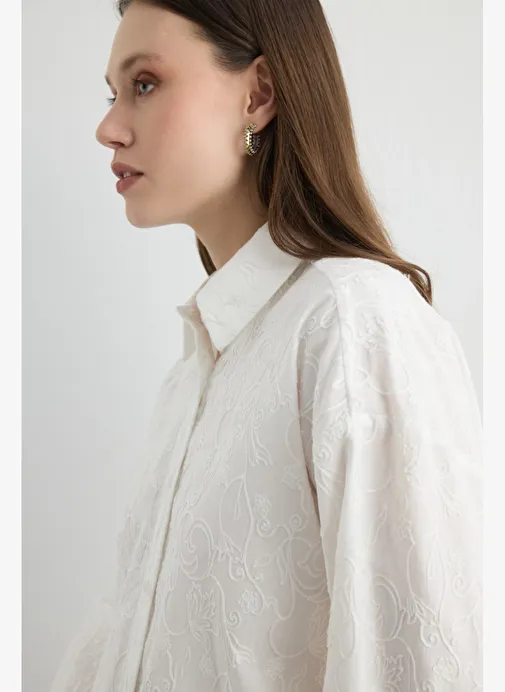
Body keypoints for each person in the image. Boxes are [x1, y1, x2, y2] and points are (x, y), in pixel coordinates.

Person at [49, 0, 482, 690]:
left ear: (257, 95)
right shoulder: (192, 378)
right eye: (113, 93)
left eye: (145, 83)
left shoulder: (353, 323)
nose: (108, 127)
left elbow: (420, 665)